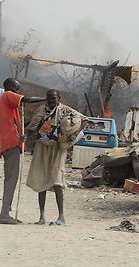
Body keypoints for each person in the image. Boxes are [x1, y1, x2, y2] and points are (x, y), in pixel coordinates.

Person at [26, 89, 88, 225]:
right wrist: (26, 137)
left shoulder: (66, 110)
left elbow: (84, 120)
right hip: (42, 147)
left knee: (57, 180)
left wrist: (74, 133)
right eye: (49, 99)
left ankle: (61, 216)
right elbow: (33, 126)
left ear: (59, 98)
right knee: (41, 179)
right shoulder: (42, 110)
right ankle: (41, 217)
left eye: (54, 98)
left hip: (58, 149)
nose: (52, 101)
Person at [0, 78, 47, 224]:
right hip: (10, 143)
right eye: (17, 89)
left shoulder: (8, 103)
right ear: (10, 87)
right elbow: (27, 99)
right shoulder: (7, 95)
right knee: (11, 179)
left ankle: (6, 211)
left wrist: (21, 134)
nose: (18, 92)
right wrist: (44, 98)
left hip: (12, 141)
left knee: (11, 178)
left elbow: (13, 123)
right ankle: (4, 213)